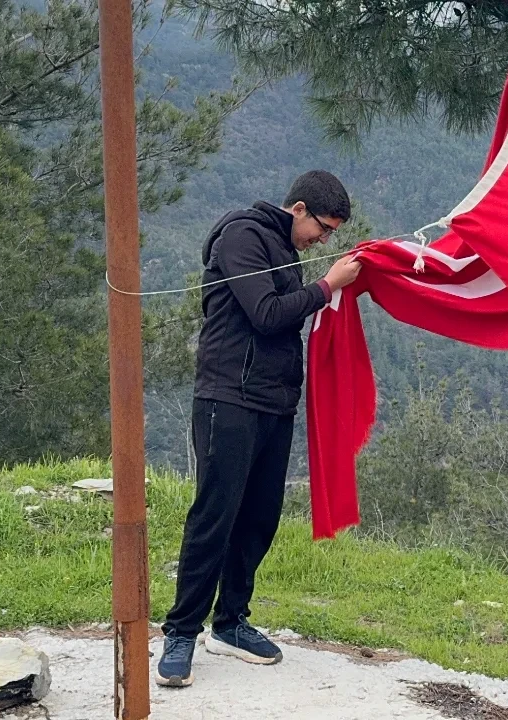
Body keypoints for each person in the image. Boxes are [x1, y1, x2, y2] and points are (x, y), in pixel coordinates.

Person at [154, 170, 363, 688]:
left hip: (274, 404)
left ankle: (230, 623)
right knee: (215, 516)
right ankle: (181, 631)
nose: (323, 239)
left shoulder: (285, 250)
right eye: (323, 227)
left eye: (331, 233)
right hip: (228, 398)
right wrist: (328, 284)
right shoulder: (242, 236)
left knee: (259, 517)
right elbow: (267, 315)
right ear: (298, 209)